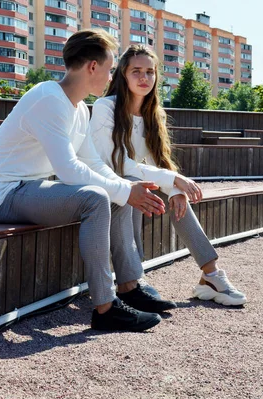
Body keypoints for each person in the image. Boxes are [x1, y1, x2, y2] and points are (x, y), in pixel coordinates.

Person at [0, 30, 178, 333]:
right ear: (92, 67)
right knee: (97, 197)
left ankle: (128, 285)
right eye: (110, 69)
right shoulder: (48, 99)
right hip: (4, 195)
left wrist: (127, 189)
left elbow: (93, 163)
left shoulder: (79, 109)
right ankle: (106, 308)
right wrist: (124, 190)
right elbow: (69, 170)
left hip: (30, 189)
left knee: (118, 192)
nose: (112, 78)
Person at [89, 45, 247, 306]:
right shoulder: (105, 107)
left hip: (127, 181)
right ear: (123, 76)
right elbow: (115, 161)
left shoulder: (154, 114)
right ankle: (134, 279)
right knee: (134, 185)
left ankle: (212, 275)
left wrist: (175, 190)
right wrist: (173, 179)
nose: (144, 78)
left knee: (175, 195)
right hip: (102, 181)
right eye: (136, 71)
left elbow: (156, 161)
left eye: (150, 72)